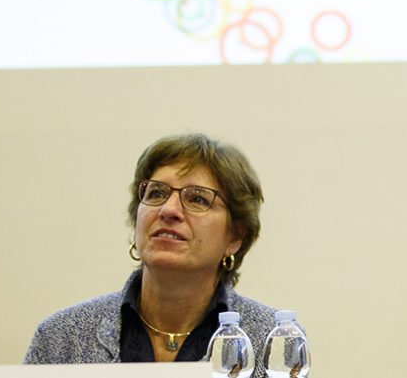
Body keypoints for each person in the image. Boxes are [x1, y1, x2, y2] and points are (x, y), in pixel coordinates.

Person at [24, 133, 277, 377]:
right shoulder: (61, 338)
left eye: (197, 199)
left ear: (235, 237)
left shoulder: (272, 342)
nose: (168, 210)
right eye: (156, 193)